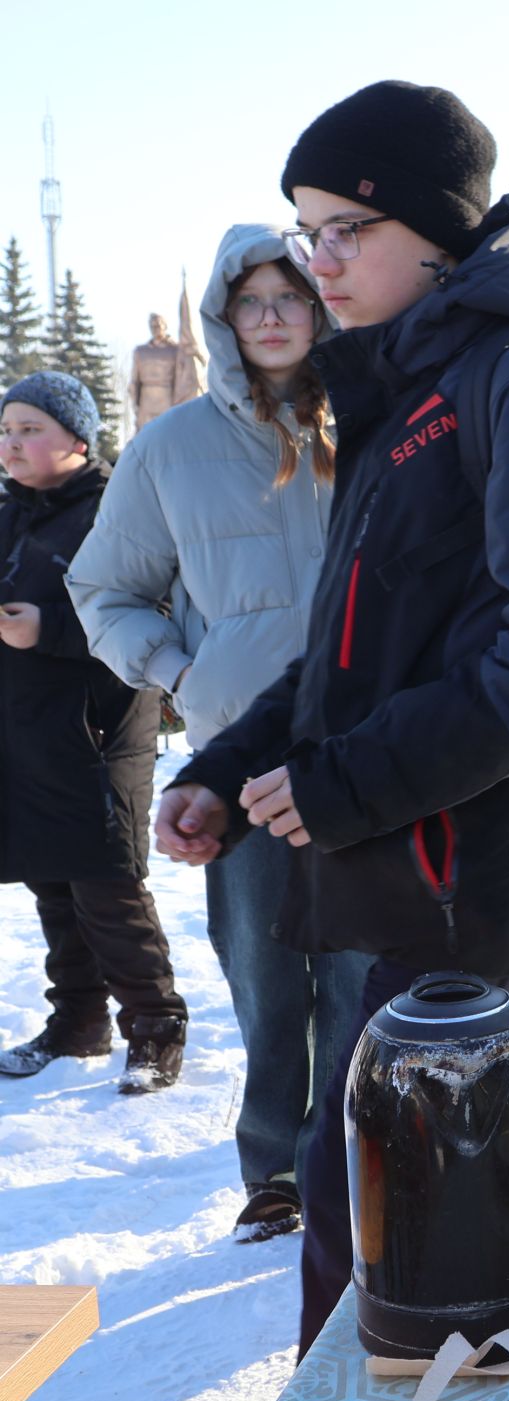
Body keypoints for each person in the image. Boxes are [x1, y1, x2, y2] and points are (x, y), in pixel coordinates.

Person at [153, 80, 509, 1352]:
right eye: (305, 234)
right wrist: (231, 762)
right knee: (480, 1189)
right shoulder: (403, 385)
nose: (318, 264)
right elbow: (351, 649)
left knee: (362, 1186)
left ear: (436, 232)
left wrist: (348, 784)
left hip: (459, 870)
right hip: (403, 859)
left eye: (343, 231)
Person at [67, 226, 376, 1243]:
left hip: (374, 750)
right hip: (240, 759)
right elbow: (106, 592)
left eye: (294, 295)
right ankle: (276, 1174)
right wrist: (184, 674)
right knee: (264, 971)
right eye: (253, 301)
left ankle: (362, 1163)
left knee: (367, 972)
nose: (277, 315)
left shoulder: (375, 424)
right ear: (223, 319)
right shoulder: (171, 447)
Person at [0, 372, 189, 1093]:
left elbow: (152, 608)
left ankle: (155, 1028)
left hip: (99, 728)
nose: (12, 444)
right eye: (6, 431)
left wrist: (47, 629)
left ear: (78, 438)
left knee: (107, 883)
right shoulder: (9, 514)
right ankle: (78, 1022)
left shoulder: (117, 511)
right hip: (25, 733)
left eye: (29, 429)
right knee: (50, 880)